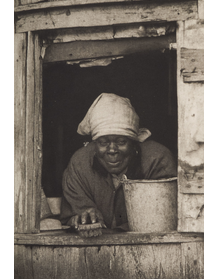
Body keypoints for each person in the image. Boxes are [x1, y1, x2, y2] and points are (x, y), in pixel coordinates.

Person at [59, 93, 177, 237]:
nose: (112, 150)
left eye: (121, 142)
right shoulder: (80, 163)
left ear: (134, 142)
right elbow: (72, 216)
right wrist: (83, 218)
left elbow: (163, 220)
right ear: (94, 145)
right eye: (103, 142)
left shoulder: (157, 159)